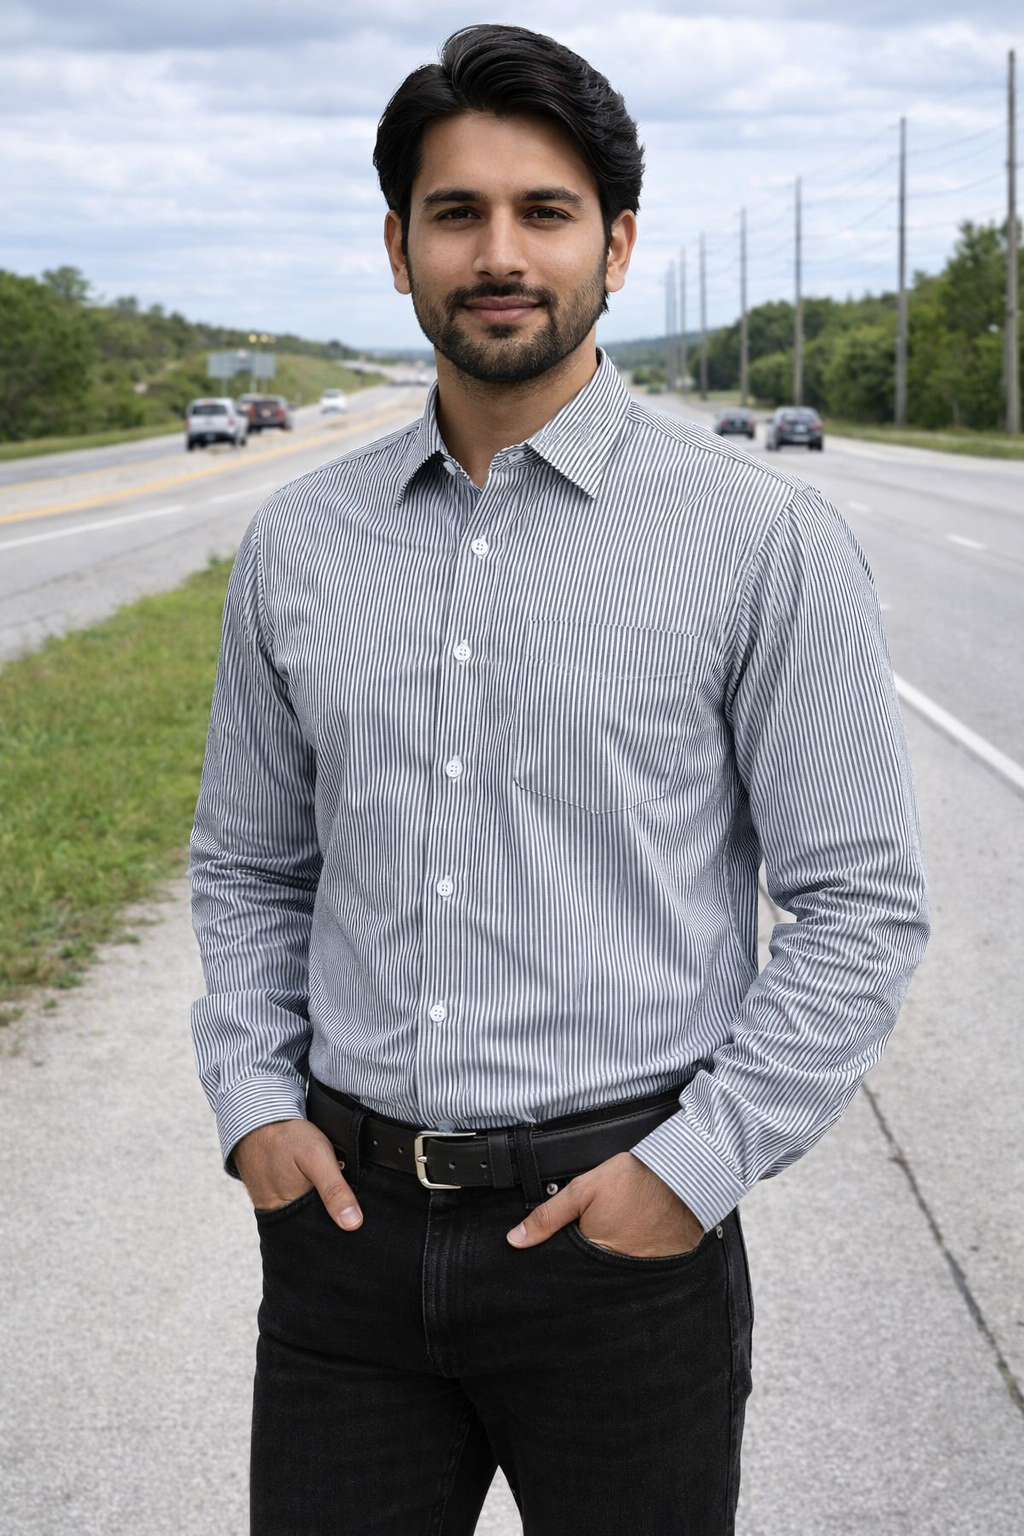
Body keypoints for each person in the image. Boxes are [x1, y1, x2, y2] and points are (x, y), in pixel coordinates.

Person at [190, 23, 929, 1536]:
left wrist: (692, 1172)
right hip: (343, 1242)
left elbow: (860, 905)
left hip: (620, 1244)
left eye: (545, 211)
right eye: (457, 214)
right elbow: (252, 865)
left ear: (618, 242)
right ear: (399, 250)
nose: (500, 251)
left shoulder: (760, 543)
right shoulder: (297, 545)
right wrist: (256, 1098)